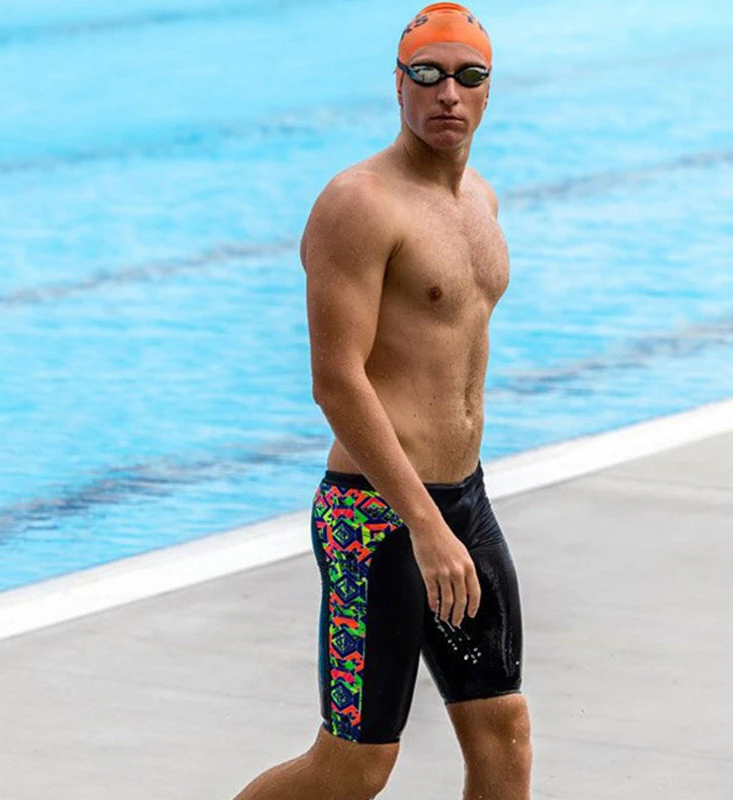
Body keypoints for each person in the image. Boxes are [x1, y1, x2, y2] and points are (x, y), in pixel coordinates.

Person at [232, 4, 531, 798]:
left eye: (467, 76)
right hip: (374, 517)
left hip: (462, 501)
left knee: (503, 731)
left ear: (489, 89)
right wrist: (423, 526)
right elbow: (336, 379)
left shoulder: (480, 201)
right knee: (355, 766)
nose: (447, 94)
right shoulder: (358, 204)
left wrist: (446, 517)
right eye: (427, 75)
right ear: (397, 85)